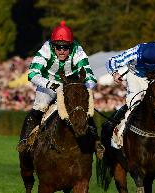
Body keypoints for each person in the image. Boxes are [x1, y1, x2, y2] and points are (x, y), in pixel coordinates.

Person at [17, 21, 104, 158]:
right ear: (53, 45)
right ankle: (25, 140)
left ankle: (96, 142)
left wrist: (84, 87)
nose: (62, 51)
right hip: (48, 83)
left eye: (65, 47)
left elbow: (90, 76)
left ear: (71, 45)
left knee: (84, 107)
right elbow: (32, 74)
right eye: (58, 47)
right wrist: (53, 86)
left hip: (71, 85)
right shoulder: (45, 50)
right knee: (40, 107)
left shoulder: (78, 51)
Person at [103, 42, 155, 149]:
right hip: (135, 76)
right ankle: (120, 133)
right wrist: (115, 73)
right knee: (134, 102)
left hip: (154, 77)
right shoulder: (134, 53)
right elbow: (111, 61)